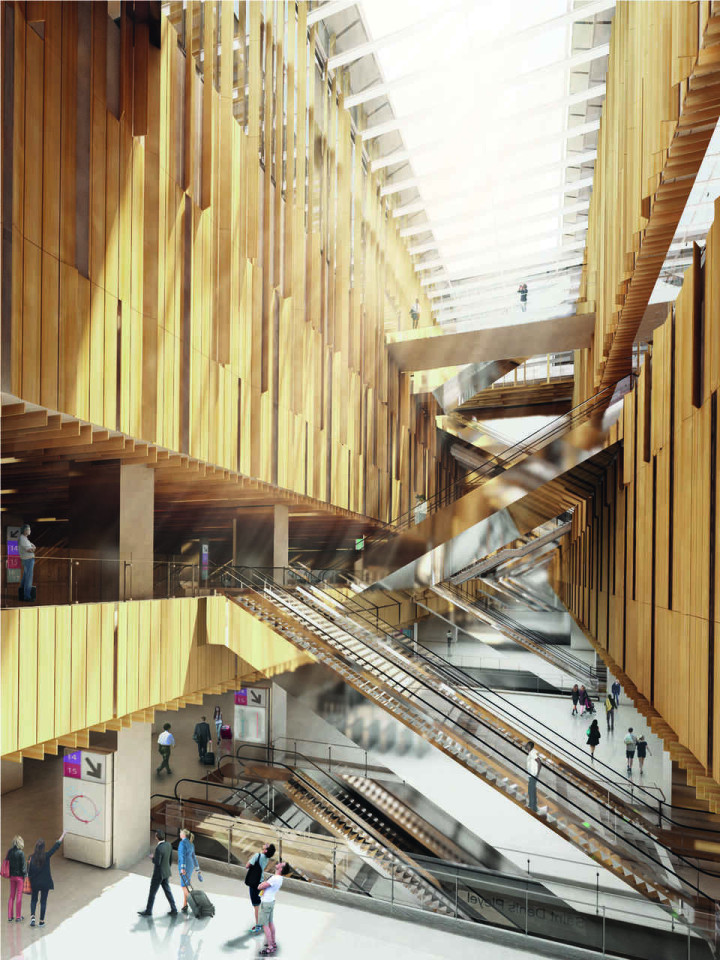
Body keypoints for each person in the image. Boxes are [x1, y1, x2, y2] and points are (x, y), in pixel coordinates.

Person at [28, 831, 66, 927]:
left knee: (33, 900)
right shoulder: (46, 856)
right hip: (45, 883)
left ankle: (32, 918)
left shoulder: (31, 858)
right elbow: (56, 846)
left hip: (35, 883)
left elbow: (29, 872)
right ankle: (41, 921)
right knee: (43, 901)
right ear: (43, 847)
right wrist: (63, 834)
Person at [138, 829, 177, 916]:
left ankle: (148, 911)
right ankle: (174, 909)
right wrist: (166, 868)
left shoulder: (159, 848)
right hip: (166, 872)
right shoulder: (169, 845)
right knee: (167, 891)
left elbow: (157, 862)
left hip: (158, 874)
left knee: (152, 892)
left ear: (156, 837)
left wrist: (152, 857)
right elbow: (170, 860)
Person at [257, 861, 291, 957]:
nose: (279, 863)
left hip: (266, 903)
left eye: (281, 864)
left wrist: (262, 883)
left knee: (265, 925)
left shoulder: (275, 878)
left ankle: (270, 947)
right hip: (271, 902)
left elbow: (260, 887)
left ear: (280, 869)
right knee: (270, 923)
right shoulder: (279, 878)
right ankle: (273, 943)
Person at [246, 841, 276, 933]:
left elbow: (247, 865)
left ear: (266, 850)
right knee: (260, 903)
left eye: (267, 845)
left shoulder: (257, 855)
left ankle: (258, 925)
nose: (266, 843)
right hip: (261, 882)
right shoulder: (266, 858)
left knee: (256, 905)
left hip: (254, 883)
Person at [178, 829, 202, 913]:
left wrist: (182, 867)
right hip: (190, 865)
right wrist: (197, 868)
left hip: (185, 866)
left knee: (183, 886)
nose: (179, 833)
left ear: (184, 835)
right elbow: (194, 857)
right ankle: (185, 905)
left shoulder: (182, 843)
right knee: (186, 884)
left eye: (181, 832)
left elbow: (182, 856)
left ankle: (195, 904)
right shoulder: (191, 844)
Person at [5, 835, 26, 922]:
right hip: (19, 878)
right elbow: (23, 867)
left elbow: (6, 862)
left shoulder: (10, 852)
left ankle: (10, 916)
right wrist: (25, 877)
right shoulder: (21, 853)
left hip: (12, 877)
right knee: (19, 896)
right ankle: (18, 917)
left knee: (11, 896)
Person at [18, 523, 36, 601]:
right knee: (29, 578)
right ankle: (27, 596)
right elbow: (30, 549)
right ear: (24, 530)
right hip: (28, 559)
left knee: (25, 577)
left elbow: (34, 547)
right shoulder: (22, 539)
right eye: (28, 529)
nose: (29, 531)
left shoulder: (26, 539)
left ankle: (22, 594)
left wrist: (33, 548)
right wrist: (32, 548)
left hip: (28, 559)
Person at [525, 741, 541, 813]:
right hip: (531, 775)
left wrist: (537, 774)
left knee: (531, 791)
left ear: (530, 746)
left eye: (527, 745)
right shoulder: (530, 754)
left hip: (533, 775)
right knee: (532, 791)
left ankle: (532, 807)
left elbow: (539, 762)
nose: (525, 746)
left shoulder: (532, 753)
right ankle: (533, 807)